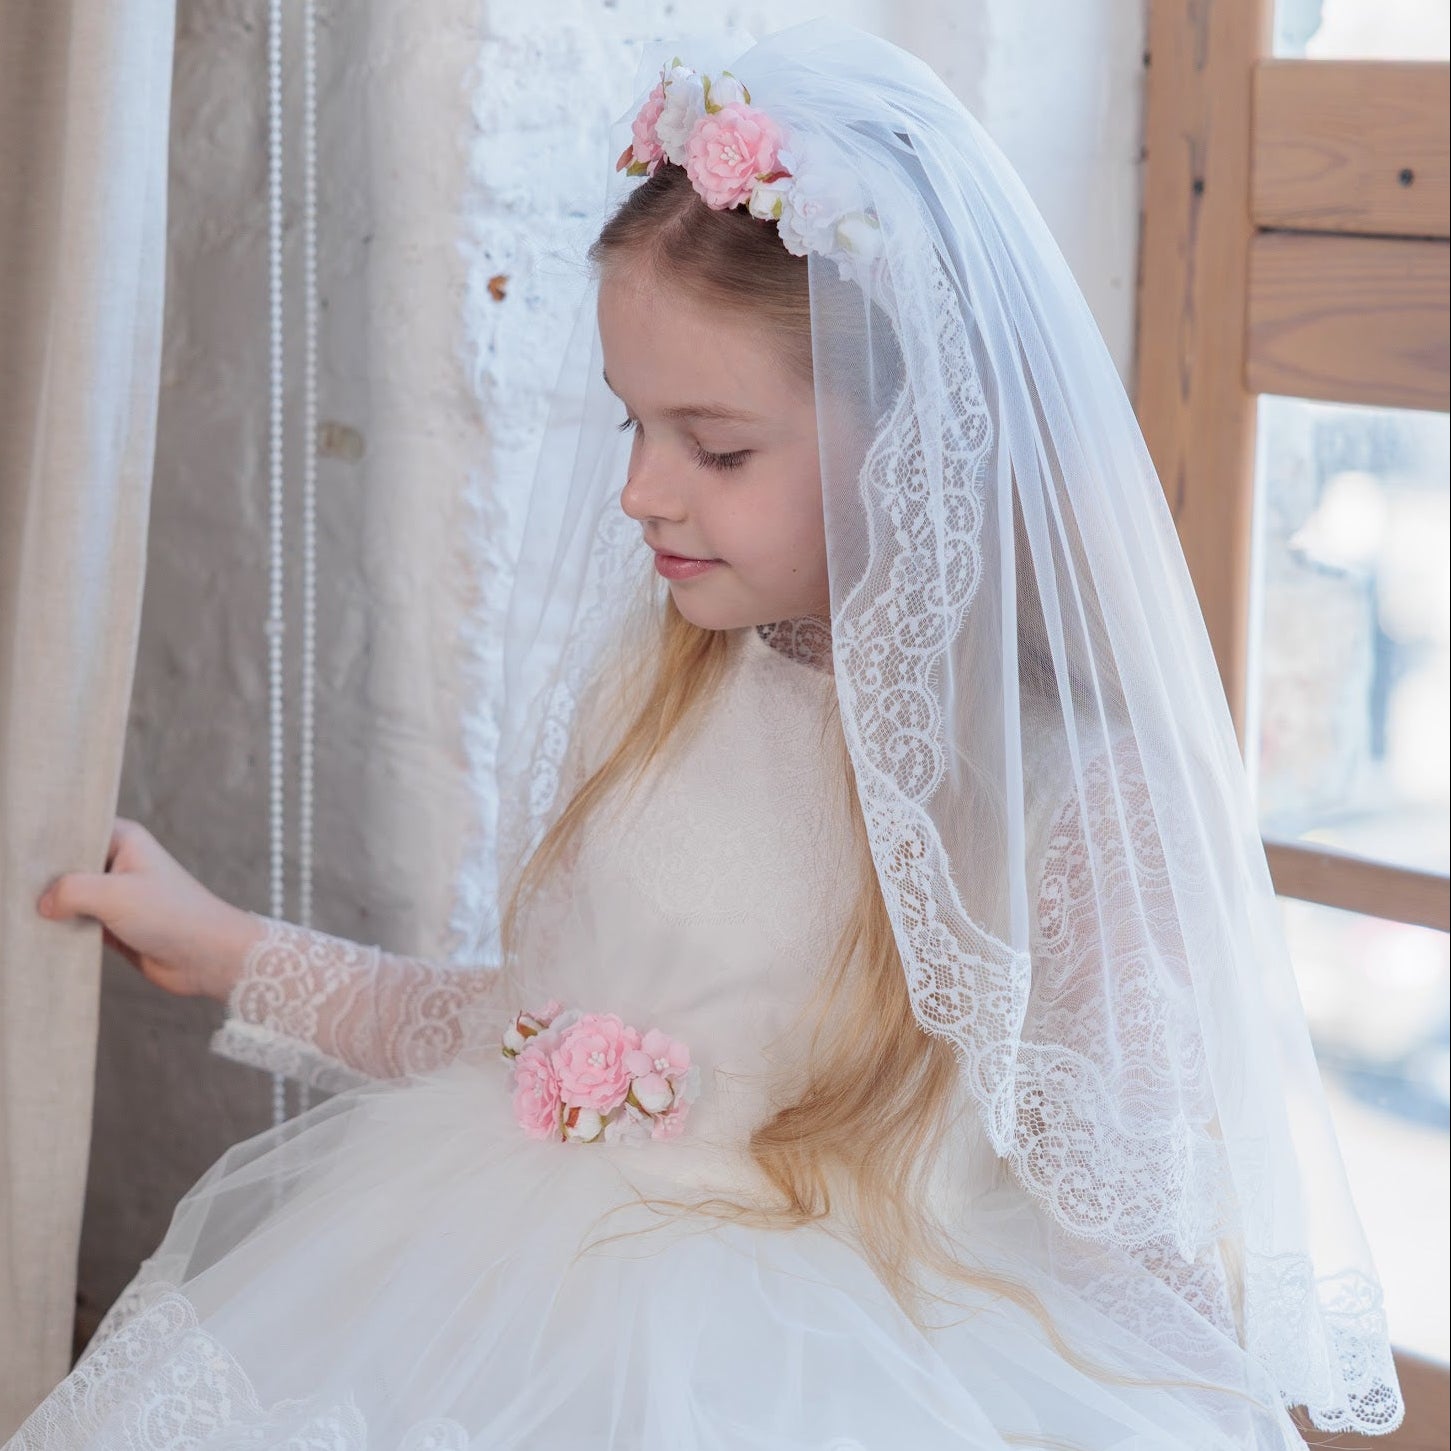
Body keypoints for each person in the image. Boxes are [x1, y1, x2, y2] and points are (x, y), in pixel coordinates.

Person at [9, 20, 1402, 1448]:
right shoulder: (665, 689)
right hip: (505, 1307)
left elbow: (1141, 1264)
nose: (641, 496)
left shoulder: (1072, 803)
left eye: (715, 447)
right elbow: (518, 1035)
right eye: (630, 427)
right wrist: (233, 949)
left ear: (916, 433)